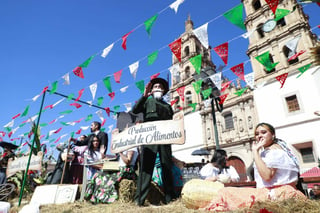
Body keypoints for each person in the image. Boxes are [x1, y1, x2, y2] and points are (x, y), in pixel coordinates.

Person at [201, 123, 306, 211]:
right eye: (256, 134)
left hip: (274, 194)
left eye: (264, 132)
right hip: (282, 191)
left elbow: (267, 176)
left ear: (273, 135)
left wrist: (255, 151)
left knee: (225, 192)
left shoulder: (273, 152)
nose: (259, 136)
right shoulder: (279, 149)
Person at [132, 77, 176, 206]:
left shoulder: (168, 106)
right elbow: (135, 111)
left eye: (160, 87)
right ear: (151, 90)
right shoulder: (147, 101)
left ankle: (170, 199)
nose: (158, 88)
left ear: (164, 91)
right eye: (155, 86)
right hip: (150, 137)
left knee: (167, 167)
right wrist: (144, 96)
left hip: (165, 138)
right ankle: (139, 200)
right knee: (146, 169)